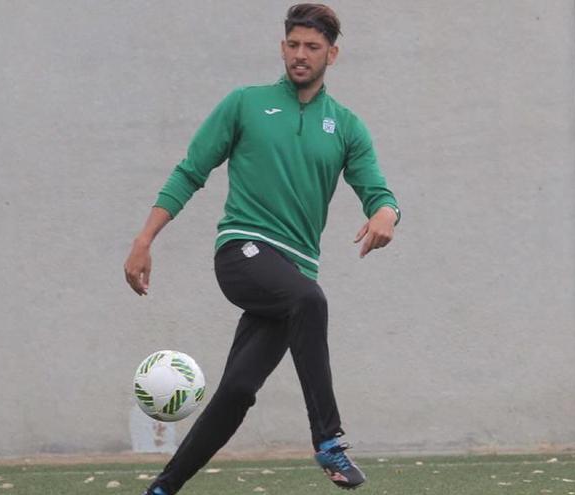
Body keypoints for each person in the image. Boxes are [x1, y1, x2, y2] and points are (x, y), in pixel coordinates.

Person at [124, 4, 400, 493]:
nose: (300, 54)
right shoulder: (245, 104)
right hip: (242, 252)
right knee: (310, 300)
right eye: (293, 44)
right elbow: (190, 171)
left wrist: (386, 214)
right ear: (282, 47)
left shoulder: (347, 127)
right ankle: (328, 440)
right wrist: (144, 240)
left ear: (331, 55)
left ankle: (162, 488)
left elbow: (378, 193)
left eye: (312, 47)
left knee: (236, 391)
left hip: (292, 275)